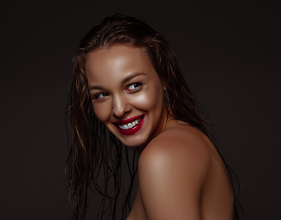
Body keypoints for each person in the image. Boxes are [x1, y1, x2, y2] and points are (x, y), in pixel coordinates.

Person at [66, 14, 239, 220]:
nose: (119, 109)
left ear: (164, 77)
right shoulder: (184, 142)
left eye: (133, 85)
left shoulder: (163, 156)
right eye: (102, 94)